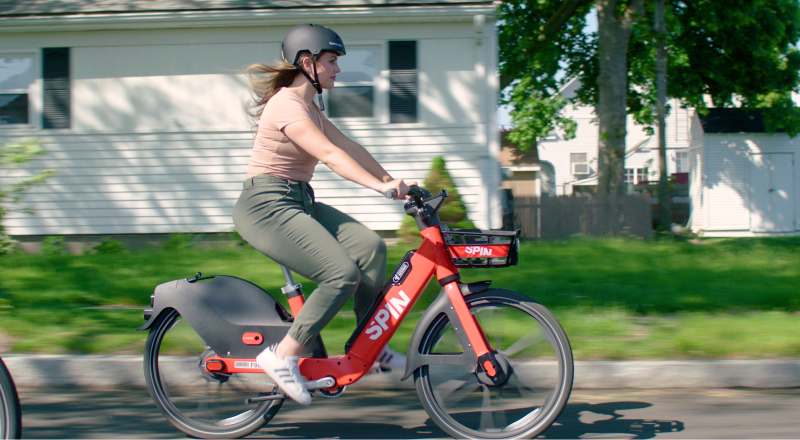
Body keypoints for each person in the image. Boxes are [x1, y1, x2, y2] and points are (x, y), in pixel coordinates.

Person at [233, 23, 411, 406]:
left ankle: (371, 346)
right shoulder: (286, 104)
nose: (338, 69)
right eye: (332, 61)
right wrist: (378, 188)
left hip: (299, 201)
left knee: (371, 249)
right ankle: (281, 358)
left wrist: (392, 180)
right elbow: (330, 156)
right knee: (340, 275)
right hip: (266, 206)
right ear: (308, 62)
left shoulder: (310, 108)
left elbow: (348, 145)